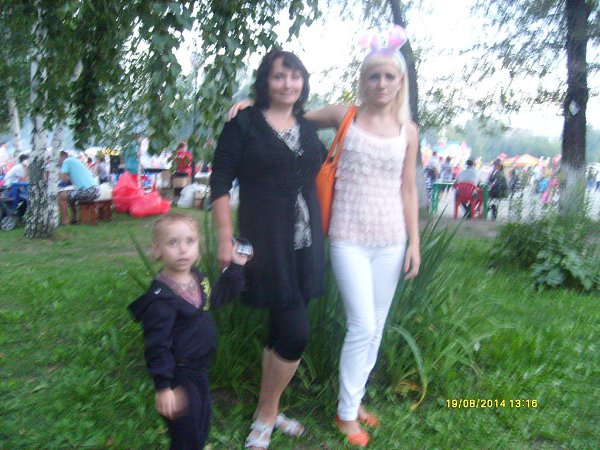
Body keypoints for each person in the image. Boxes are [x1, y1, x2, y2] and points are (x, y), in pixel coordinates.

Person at [228, 28, 421, 447]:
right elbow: (288, 115)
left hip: (392, 239)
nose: (381, 84)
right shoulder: (343, 115)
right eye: (374, 76)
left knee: (376, 327)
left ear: (400, 82)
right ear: (363, 80)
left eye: (389, 76)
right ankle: (345, 413)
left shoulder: (408, 130)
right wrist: (251, 106)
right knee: (362, 324)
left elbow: (408, 189)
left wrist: (415, 244)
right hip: (348, 235)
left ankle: (355, 399)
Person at [211, 50, 327, 450]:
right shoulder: (243, 124)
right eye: (279, 77)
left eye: (295, 76)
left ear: (303, 82)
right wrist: (225, 238)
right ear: (265, 81)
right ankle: (265, 415)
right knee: (296, 333)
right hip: (265, 244)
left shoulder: (307, 126)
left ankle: (270, 410)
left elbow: (348, 114)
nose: (287, 84)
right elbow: (220, 183)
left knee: (281, 327)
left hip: (305, 245)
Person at [128, 213, 248, 449]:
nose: (183, 249)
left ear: (197, 246)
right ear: (157, 249)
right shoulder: (160, 301)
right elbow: (157, 346)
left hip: (200, 371)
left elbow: (217, 298)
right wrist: (164, 387)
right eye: (173, 242)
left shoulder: (197, 279)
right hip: (179, 376)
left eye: (190, 241)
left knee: (200, 427)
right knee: (186, 435)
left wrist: (236, 266)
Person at [58, 151, 99, 225]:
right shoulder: (74, 160)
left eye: (58, 159)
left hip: (88, 191)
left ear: (62, 157)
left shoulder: (67, 161)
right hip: (95, 189)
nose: (58, 161)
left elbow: (64, 179)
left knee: (61, 196)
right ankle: (75, 218)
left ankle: (65, 221)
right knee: (70, 195)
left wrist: (57, 173)